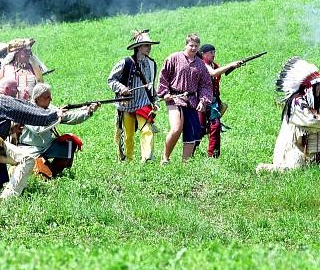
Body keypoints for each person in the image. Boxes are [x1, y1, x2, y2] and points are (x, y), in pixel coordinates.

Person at [256, 57, 320, 173]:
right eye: (316, 85)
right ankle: (265, 168)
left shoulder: (318, 102)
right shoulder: (296, 102)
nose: (319, 88)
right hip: (293, 146)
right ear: (308, 87)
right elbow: (311, 120)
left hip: (306, 143)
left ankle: (319, 162)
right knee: (293, 171)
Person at [21, 83, 99, 178]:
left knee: (70, 142)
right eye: (47, 97)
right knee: (44, 176)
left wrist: (88, 111)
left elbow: (70, 116)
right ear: (37, 98)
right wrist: (55, 116)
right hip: (32, 148)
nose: (51, 99)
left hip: (48, 145)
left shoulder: (50, 108)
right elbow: (38, 130)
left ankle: (56, 172)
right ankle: (44, 170)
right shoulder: (28, 111)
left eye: (50, 96)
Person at [157, 33, 213, 163]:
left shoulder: (200, 64)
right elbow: (163, 76)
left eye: (196, 46)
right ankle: (165, 158)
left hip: (192, 101)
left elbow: (205, 85)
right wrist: (164, 93)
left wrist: (203, 100)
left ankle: (185, 164)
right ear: (186, 45)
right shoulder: (174, 58)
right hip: (174, 98)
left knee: (192, 133)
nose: (193, 48)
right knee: (176, 127)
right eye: (191, 45)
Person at [107, 29, 159, 162]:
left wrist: (155, 100)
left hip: (143, 103)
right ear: (138, 47)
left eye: (150, 45)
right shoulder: (125, 62)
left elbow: (151, 85)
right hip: (127, 105)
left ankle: (147, 158)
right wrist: (122, 88)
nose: (149, 48)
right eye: (146, 45)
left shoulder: (152, 64)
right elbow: (111, 80)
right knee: (128, 135)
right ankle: (127, 159)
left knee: (147, 130)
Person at [197, 44, 243, 158]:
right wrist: (231, 64)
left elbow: (217, 72)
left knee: (215, 126)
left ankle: (213, 155)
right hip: (200, 101)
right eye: (210, 52)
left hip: (213, 102)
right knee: (200, 129)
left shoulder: (214, 65)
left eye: (214, 52)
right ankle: (191, 151)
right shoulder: (202, 64)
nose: (213, 54)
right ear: (203, 54)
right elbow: (213, 73)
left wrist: (233, 67)